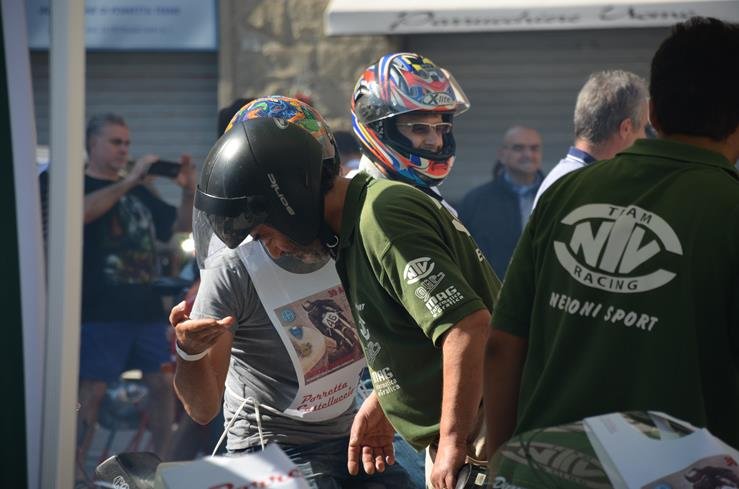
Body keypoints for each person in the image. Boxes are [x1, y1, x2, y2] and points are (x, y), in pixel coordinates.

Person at [190, 89, 500, 489]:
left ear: (291, 198)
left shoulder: (380, 219)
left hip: (490, 422)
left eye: (266, 233)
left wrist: (452, 443)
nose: (273, 249)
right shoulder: (353, 230)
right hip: (474, 419)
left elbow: (466, 328)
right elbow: (417, 336)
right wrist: (386, 401)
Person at [484, 16, 739, 457]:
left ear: (652, 112)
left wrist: (503, 463)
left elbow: (502, 346)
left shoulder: (565, 192)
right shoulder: (727, 208)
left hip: (541, 467)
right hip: (680, 471)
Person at [170, 96, 412, 489]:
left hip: (350, 432)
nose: (273, 247)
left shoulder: (352, 238)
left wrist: (386, 399)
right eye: (257, 234)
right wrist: (189, 352)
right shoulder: (235, 269)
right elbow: (202, 409)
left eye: (268, 230)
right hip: (268, 448)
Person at [51, 113, 197, 476]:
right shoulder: (79, 185)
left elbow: (180, 227)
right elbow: (79, 215)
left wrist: (187, 189)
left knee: (163, 386)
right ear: (92, 144)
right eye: (116, 142)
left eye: (127, 143)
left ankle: (160, 468)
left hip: (145, 310)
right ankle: (74, 469)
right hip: (101, 309)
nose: (124, 150)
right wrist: (130, 180)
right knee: (91, 391)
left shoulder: (140, 192)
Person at [351, 52, 468, 218]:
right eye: (419, 128)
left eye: (441, 129)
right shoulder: (359, 203)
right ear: (380, 128)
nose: (435, 141)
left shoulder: (427, 195)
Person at [532, 70, 649, 209]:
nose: (645, 137)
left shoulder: (570, 180)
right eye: (644, 128)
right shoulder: (582, 188)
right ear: (626, 128)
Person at [458, 126, 544, 277]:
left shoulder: (555, 196)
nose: (528, 154)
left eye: (534, 148)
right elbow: (461, 254)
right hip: (494, 289)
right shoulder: (475, 201)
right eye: (519, 148)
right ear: (502, 155)